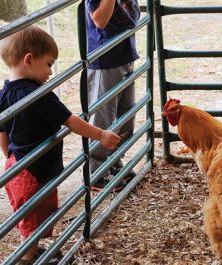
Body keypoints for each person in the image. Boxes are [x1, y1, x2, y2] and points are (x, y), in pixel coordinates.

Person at [0, 25, 121, 264]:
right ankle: (28, 259)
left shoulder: (1, 96)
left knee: (30, 217)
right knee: (32, 220)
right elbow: (71, 120)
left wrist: (12, 161)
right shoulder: (39, 94)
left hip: (17, 166)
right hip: (35, 170)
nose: (51, 72)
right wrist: (100, 134)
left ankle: (30, 252)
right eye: (49, 64)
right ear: (29, 60)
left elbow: (2, 133)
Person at [85, 0, 140, 192]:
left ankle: (113, 161)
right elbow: (99, 20)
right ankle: (97, 171)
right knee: (103, 116)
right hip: (105, 58)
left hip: (124, 53)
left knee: (126, 114)